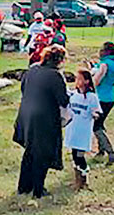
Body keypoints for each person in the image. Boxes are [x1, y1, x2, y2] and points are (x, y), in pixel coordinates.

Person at [13, 45, 70, 198]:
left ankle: (23, 187)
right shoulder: (55, 76)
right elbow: (63, 100)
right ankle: (38, 189)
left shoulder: (32, 70)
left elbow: (23, 88)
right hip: (44, 119)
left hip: (26, 115)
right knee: (42, 154)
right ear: (59, 60)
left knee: (30, 151)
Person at [91, 42, 114, 165]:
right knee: (100, 124)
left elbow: (96, 81)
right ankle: (101, 150)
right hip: (111, 97)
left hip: (101, 98)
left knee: (96, 126)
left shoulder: (105, 64)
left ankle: (111, 153)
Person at [66, 68, 101, 191]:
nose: (77, 81)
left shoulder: (92, 97)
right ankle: (77, 179)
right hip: (72, 131)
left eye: (80, 79)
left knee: (80, 155)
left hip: (82, 132)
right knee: (74, 155)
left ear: (86, 81)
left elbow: (97, 111)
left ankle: (84, 179)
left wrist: (95, 115)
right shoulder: (73, 94)